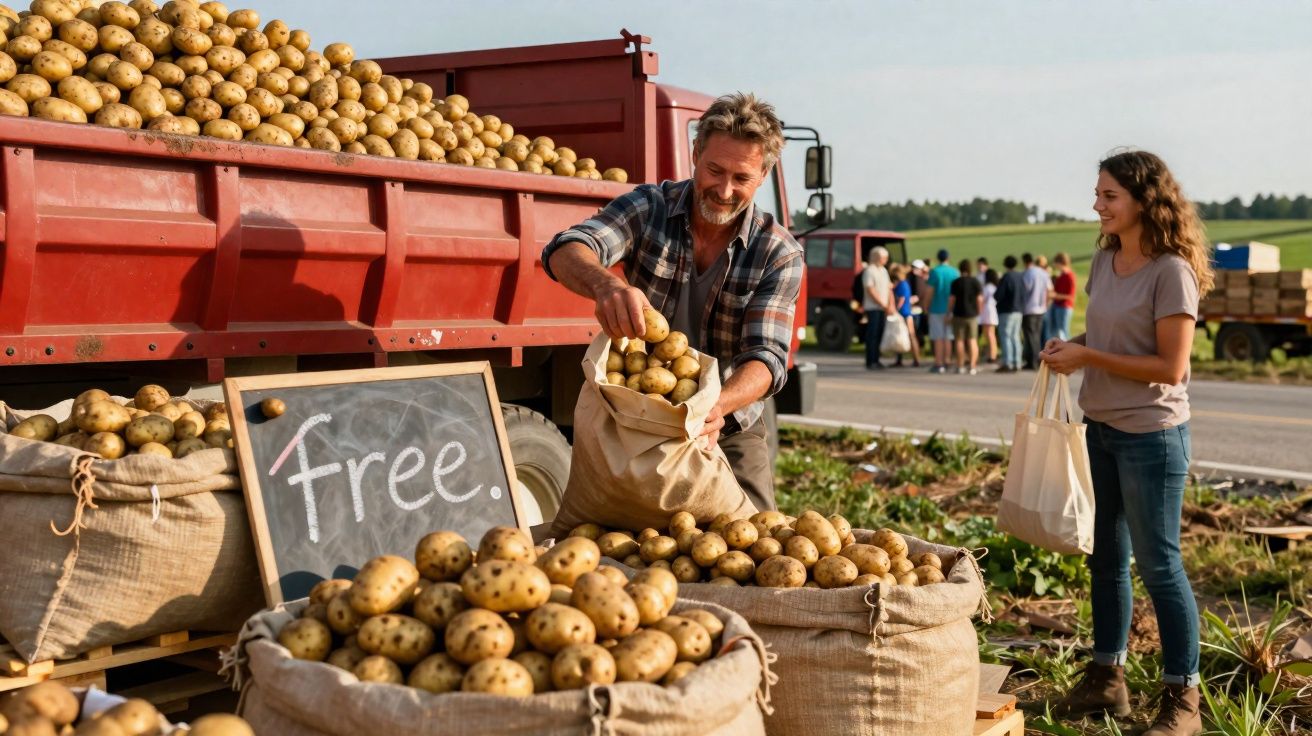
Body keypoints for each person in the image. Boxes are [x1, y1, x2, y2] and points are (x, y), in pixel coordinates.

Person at [541, 92, 800, 512]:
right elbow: (567, 248)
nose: (724, 190)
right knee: (616, 542)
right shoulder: (650, 207)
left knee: (755, 548)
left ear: (764, 174)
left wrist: (714, 406)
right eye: (715, 170)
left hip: (727, 423)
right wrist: (607, 286)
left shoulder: (778, 253)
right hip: (634, 416)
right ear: (695, 153)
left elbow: (767, 358)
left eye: (742, 178)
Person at [1044, 150, 1213, 736]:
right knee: (1106, 560)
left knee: (1160, 565)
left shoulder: (1172, 271)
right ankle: (1106, 681)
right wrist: (1076, 347)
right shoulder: (1106, 257)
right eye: (1098, 193)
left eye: (1109, 195)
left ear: (1144, 200)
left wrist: (1089, 355)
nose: (1097, 204)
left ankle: (1181, 701)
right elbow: (1112, 335)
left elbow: (1169, 366)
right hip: (1102, 428)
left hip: (1152, 436)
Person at [924, 249, 959, 374]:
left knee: (938, 336)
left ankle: (939, 363)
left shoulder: (935, 272)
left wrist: (925, 305)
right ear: (948, 258)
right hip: (951, 308)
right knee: (948, 336)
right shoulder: (955, 272)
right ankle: (947, 360)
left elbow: (929, 291)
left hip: (936, 307)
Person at [948, 259, 983, 374]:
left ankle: (960, 365)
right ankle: (972, 366)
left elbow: (952, 299)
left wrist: (949, 311)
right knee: (972, 340)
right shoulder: (975, 282)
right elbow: (979, 299)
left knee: (959, 341)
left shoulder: (956, 282)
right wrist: (979, 311)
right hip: (972, 315)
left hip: (958, 314)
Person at [861, 246, 892, 370]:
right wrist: (882, 303)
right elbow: (870, 289)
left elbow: (888, 288)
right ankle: (871, 360)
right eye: (884, 257)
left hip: (882, 307)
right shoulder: (870, 271)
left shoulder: (883, 270)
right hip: (873, 307)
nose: (886, 260)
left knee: (879, 333)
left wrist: (888, 304)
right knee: (872, 335)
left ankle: (877, 359)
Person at [1021, 252, 1052, 369]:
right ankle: (1037, 359)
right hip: (1041, 308)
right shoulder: (1043, 273)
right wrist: (1046, 304)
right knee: (1037, 335)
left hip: (1029, 308)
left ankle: (1032, 361)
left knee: (1030, 336)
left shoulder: (1028, 273)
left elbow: (1026, 289)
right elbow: (1050, 290)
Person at [889, 263, 919, 367]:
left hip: (904, 314)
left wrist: (895, 310)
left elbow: (901, 299)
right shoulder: (904, 283)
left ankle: (916, 359)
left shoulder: (902, 284)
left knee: (911, 336)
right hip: (906, 313)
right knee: (900, 336)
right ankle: (902, 359)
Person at [1047, 252, 1077, 342]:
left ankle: (1069, 351)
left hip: (1065, 307)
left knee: (1064, 331)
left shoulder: (1070, 276)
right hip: (1057, 306)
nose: (1055, 265)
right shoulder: (1061, 275)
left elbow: (1070, 296)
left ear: (1060, 263)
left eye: (1056, 263)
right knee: (1056, 331)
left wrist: (1056, 296)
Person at [909, 259, 930, 353]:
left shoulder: (919, 279)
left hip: (918, 308)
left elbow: (919, 295)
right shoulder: (917, 279)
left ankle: (919, 348)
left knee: (918, 330)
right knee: (918, 330)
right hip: (917, 308)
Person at [980, 268, 1000, 363]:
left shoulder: (987, 287)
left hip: (987, 312)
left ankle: (992, 355)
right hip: (992, 311)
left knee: (989, 334)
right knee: (990, 334)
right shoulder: (995, 287)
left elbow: (982, 299)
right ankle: (992, 353)